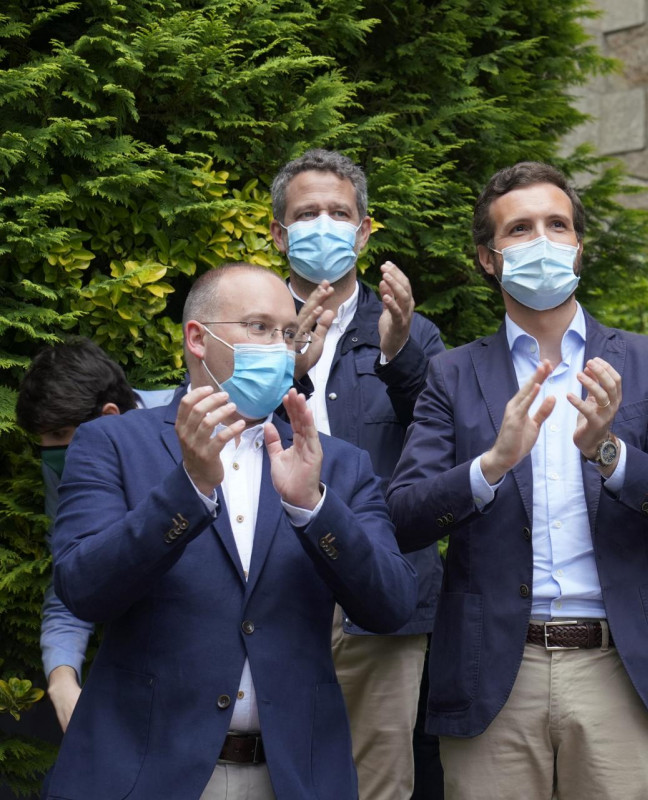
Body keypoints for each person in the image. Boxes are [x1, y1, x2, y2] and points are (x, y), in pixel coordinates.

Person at [387, 161, 648, 800]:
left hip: (617, 666)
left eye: (556, 225)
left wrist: (609, 451)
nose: (541, 241)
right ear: (489, 258)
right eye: (520, 229)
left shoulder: (647, 363)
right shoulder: (453, 373)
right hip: (492, 671)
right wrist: (492, 465)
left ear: (579, 246)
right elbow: (404, 515)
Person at [45, 263, 418, 800]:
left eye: (288, 333)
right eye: (259, 327)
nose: (279, 346)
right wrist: (189, 488)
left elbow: (393, 604)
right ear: (199, 338)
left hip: (291, 775)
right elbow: (81, 587)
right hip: (146, 773)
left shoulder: (338, 464)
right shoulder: (112, 443)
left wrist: (314, 507)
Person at [268, 148, 446, 800]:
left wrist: (397, 354)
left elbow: (445, 443)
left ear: (365, 229)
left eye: (338, 213)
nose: (323, 225)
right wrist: (284, 367)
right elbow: (207, 438)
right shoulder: (248, 325)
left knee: (377, 783)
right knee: (268, 771)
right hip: (270, 590)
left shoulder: (413, 333)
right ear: (278, 234)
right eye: (306, 213)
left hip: (381, 594)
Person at [15, 338, 141, 736]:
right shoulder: (62, 464)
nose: (50, 453)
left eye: (60, 434)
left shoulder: (185, 427)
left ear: (108, 416)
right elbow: (71, 578)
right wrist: (61, 676)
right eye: (43, 440)